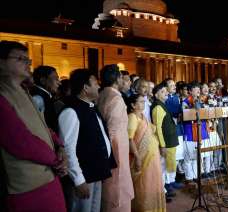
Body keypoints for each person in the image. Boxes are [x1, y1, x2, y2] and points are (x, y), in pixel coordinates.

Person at [0, 40, 66, 212]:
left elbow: (44, 127)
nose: (28, 63)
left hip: (49, 175)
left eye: (27, 59)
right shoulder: (3, 95)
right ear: (1, 62)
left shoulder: (24, 91)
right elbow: (19, 141)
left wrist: (59, 146)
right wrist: (56, 159)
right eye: (20, 58)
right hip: (28, 185)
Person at [58, 69, 116, 212]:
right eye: (95, 83)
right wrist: (79, 180)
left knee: (94, 209)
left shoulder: (91, 107)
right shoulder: (71, 111)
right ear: (85, 87)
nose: (98, 86)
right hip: (84, 175)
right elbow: (68, 149)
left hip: (95, 171)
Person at [97, 65, 134, 212]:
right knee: (118, 186)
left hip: (110, 147)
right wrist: (113, 156)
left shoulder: (102, 94)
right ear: (117, 79)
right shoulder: (116, 98)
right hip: (116, 148)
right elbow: (112, 131)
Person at [127, 94, 166, 212]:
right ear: (133, 105)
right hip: (142, 159)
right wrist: (137, 157)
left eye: (144, 102)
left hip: (152, 158)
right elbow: (130, 139)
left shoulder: (143, 116)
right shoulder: (132, 117)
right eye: (140, 102)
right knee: (144, 185)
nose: (143, 104)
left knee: (154, 182)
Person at [163, 78, 184, 189]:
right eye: (171, 85)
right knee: (169, 157)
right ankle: (167, 182)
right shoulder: (165, 99)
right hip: (169, 129)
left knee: (177, 157)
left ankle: (173, 179)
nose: (174, 87)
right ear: (165, 88)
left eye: (174, 85)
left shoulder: (176, 97)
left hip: (178, 129)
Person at [31, 65, 61, 132]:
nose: (59, 83)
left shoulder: (46, 96)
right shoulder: (38, 98)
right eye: (56, 79)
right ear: (43, 81)